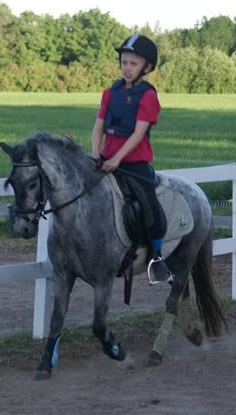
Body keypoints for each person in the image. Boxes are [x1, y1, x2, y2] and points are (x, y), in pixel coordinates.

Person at [91, 34, 173, 284]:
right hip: (105, 160)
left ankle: (157, 257)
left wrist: (117, 159)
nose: (127, 68)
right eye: (124, 62)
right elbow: (98, 127)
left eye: (133, 63)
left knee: (149, 207)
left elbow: (138, 134)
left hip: (134, 164)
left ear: (146, 67)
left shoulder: (148, 96)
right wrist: (96, 153)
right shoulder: (110, 92)